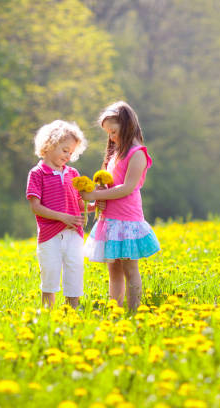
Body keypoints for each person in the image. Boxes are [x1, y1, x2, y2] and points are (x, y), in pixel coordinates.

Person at [81, 101, 160, 310]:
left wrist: (94, 194)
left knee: (129, 268)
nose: (111, 137)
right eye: (108, 133)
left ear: (126, 125)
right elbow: (110, 187)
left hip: (126, 219)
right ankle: (115, 310)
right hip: (109, 219)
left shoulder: (137, 153)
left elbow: (127, 188)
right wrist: (93, 200)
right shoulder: (116, 153)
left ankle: (134, 311)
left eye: (113, 131)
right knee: (113, 270)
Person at [26, 120, 96, 309]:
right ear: (49, 145)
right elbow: (36, 207)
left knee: (75, 271)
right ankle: (48, 314)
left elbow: (79, 204)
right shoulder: (37, 173)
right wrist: (62, 217)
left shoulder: (73, 173)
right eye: (65, 150)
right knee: (50, 272)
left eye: (71, 153)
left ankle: (71, 311)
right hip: (50, 235)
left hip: (74, 234)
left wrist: (94, 206)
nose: (68, 156)